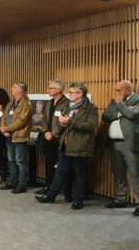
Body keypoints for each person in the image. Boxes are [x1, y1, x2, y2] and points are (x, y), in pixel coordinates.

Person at [36, 82, 99, 210]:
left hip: (81, 146)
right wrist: (62, 125)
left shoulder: (91, 109)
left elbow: (91, 126)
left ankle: (78, 200)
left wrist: (70, 122)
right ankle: (50, 196)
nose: (69, 94)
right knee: (60, 172)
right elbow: (62, 123)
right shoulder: (69, 107)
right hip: (66, 144)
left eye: (72, 92)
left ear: (80, 94)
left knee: (79, 174)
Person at [102, 80, 139, 216]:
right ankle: (120, 199)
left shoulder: (137, 100)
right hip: (114, 142)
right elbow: (105, 116)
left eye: (119, 90)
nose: (116, 93)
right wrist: (120, 111)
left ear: (128, 90)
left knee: (135, 174)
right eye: (116, 90)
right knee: (119, 173)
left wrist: (120, 106)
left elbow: (133, 115)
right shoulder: (116, 101)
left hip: (130, 143)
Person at [0, 82, 32, 194]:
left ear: (21, 91)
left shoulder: (26, 104)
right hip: (9, 136)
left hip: (19, 137)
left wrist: (7, 128)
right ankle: (12, 182)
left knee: (20, 161)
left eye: (14, 87)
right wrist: (4, 129)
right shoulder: (10, 103)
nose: (11, 89)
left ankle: (22, 185)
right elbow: (3, 116)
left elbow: (21, 121)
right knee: (11, 160)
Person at [36, 81, 69, 194]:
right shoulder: (49, 102)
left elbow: (64, 122)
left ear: (59, 90)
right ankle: (48, 185)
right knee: (48, 163)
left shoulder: (66, 103)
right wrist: (45, 131)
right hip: (47, 137)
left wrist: (53, 134)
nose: (48, 89)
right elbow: (44, 119)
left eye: (50, 88)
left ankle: (59, 188)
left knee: (60, 165)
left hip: (59, 139)